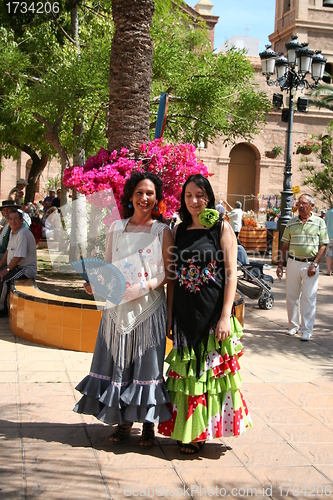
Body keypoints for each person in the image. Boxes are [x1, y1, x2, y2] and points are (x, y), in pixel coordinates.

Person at [74, 172, 174, 448]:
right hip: (117, 309)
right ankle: (123, 422)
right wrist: (95, 284)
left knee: (147, 366)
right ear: (130, 196)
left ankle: (149, 426)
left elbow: (167, 272)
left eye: (150, 193)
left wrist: (141, 288)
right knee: (120, 364)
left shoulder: (161, 231)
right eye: (139, 192)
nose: (145, 198)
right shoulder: (116, 228)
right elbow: (107, 266)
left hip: (148, 308)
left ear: (157, 198)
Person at [158, 174, 252, 454]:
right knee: (188, 376)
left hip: (213, 315)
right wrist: (170, 314)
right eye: (188, 196)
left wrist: (226, 315)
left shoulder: (221, 228)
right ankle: (188, 430)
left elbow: (232, 274)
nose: (194, 201)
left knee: (209, 376)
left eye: (199, 195)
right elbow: (172, 276)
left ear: (208, 197)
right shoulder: (180, 229)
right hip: (185, 314)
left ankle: (202, 432)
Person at [276, 193, 329, 341]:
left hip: (310, 265)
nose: (300, 206)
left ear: (311, 206)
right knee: (291, 296)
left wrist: (315, 264)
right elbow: (285, 244)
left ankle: (307, 330)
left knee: (308, 298)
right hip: (293, 263)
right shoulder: (291, 223)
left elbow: (323, 245)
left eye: (304, 203)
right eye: (299, 203)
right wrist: (280, 264)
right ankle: (293, 326)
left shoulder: (319, 222)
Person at [0, 210, 37, 317]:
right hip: (17, 268)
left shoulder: (23, 233)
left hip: (26, 269)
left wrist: (6, 270)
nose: (13, 221)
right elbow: (8, 251)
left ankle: (2, 309)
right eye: (11, 219)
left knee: (4, 278)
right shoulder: (13, 232)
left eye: (16, 219)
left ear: (22, 221)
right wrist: (1, 265)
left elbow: (18, 256)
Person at [325, 206, 333, 276]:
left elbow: (325, 223)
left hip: (328, 236)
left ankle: (329, 270)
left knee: (329, 253)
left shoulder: (328, 213)